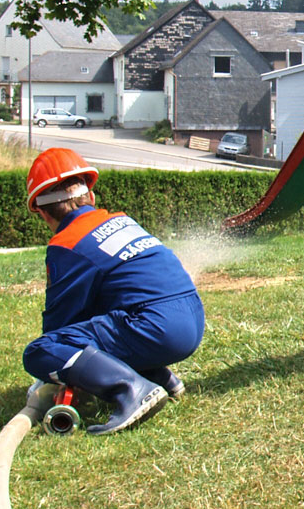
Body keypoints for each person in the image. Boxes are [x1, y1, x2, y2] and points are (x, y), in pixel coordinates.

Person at [22, 147, 205, 435]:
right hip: (191, 318)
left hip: (157, 328)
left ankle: (132, 389)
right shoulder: (121, 220)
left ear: (43, 213)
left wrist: (54, 369)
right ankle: (159, 377)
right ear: (90, 197)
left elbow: (59, 327)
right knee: (105, 317)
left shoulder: (68, 242)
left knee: (41, 351)